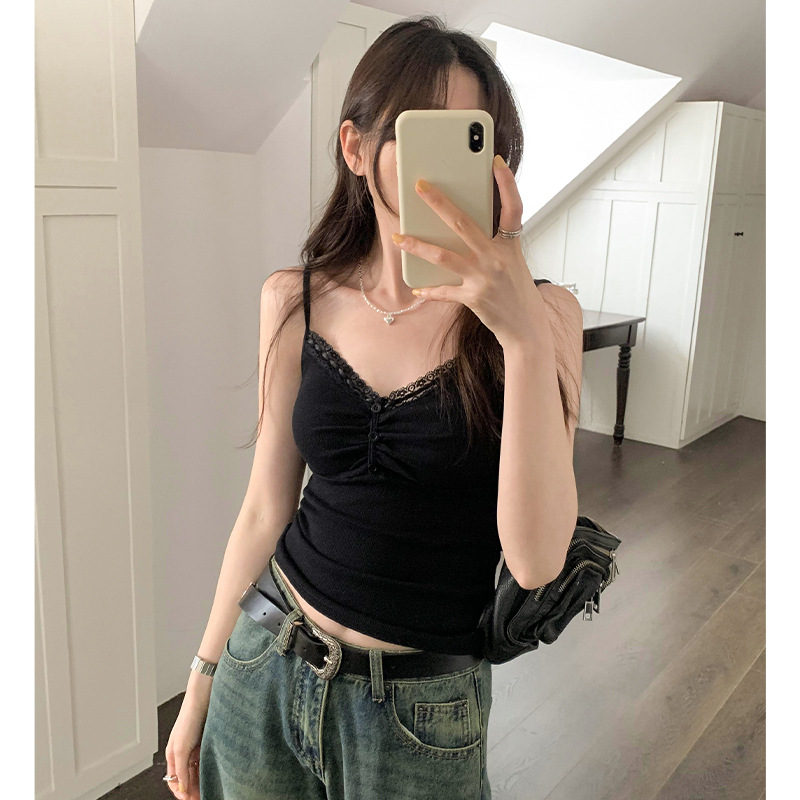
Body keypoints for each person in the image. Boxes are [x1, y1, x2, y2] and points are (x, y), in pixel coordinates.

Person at [164, 14, 583, 800]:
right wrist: (199, 685)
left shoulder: (546, 316)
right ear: (355, 148)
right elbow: (263, 511)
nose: (448, 165)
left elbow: (535, 562)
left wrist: (522, 335)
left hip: (421, 714)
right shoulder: (294, 299)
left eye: (473, 138)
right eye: (422, 134)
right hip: (266, 661)